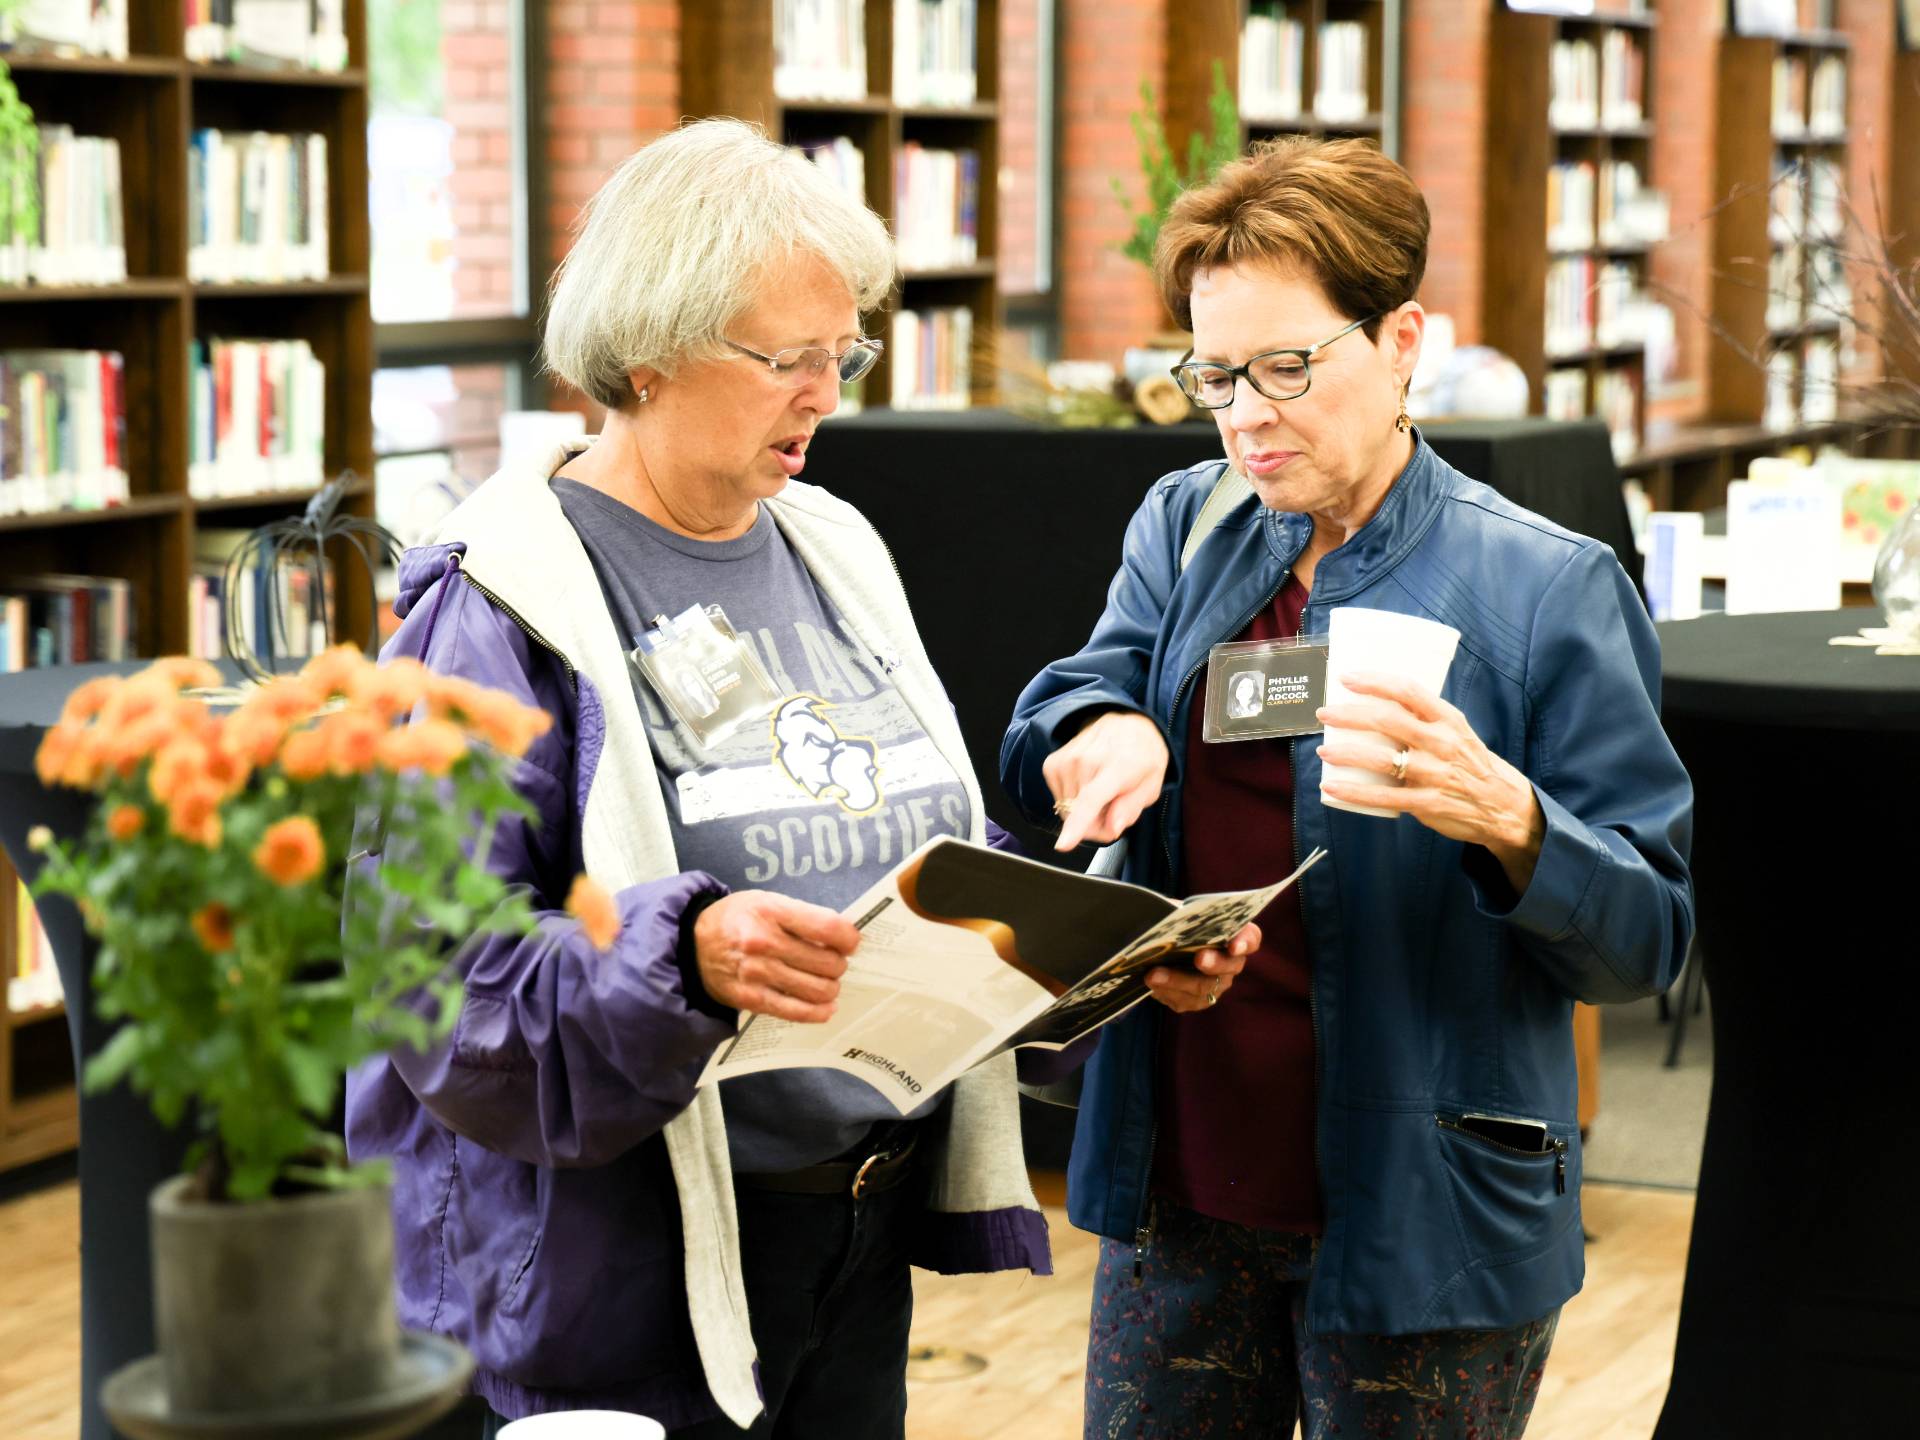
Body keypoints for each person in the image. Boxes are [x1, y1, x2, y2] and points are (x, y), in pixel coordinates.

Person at [345, 119, 1062, 1439]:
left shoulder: (833, 546)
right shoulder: (496, 609)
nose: (826, 394)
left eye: (843, 354)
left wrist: (1077, 933)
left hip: (848, 1242)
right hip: (610, 1284)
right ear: (650, 351)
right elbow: (434, 987)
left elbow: (885, 832)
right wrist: (684, 958)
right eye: (788, 359)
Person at [1000, 137, 1695, 1439]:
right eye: (1215, 375)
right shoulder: (1188, 525)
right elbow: (1078, 687)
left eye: (1286, 367)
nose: (1246, 416)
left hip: (1428, 1212)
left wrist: (1511, 820)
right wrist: (1103, 728)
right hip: (1183, 1182)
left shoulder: (1548, 587)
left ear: (1400, 342)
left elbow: (1649, 938)